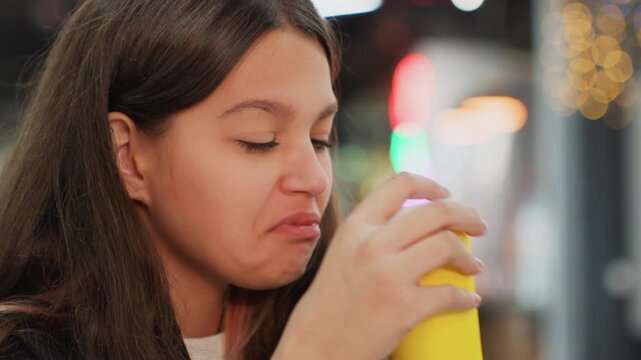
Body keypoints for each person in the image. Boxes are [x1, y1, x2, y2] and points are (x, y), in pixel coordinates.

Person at [0, 0, 487, 359]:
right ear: (127, 156)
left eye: (320, 138)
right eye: (259, 140)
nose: (313, 179)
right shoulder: (30, 349)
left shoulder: (363, 323)